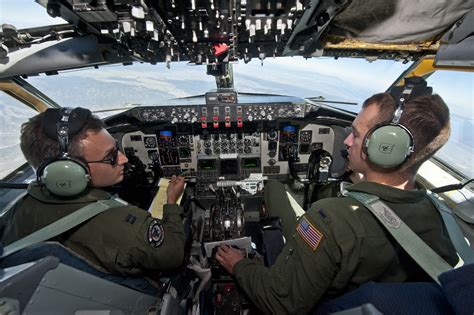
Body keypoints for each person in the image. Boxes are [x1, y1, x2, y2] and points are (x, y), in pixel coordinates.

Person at [215, 89, 459, 314]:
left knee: (273, 186)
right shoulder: (439, 214)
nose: (346, 142)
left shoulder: (329, 219)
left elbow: (281, 304)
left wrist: (239, 265)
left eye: (356, 134)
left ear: (387, 148)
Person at [1, 107, 186, 279]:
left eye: (117, 149)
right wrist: (171, 201)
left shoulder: (14, 210)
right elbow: (172, 254)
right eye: (110, 156)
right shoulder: (124, 226)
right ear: (68, 172)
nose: (124, 158)